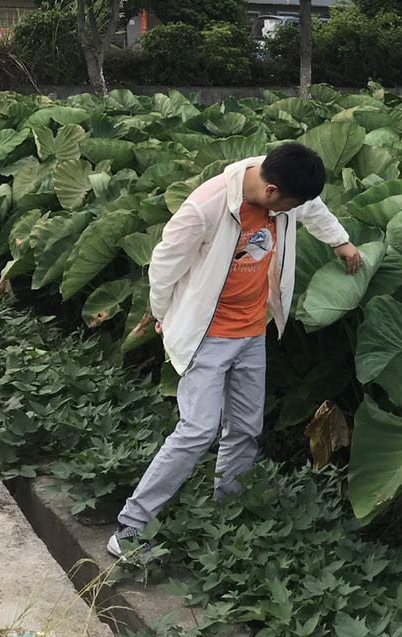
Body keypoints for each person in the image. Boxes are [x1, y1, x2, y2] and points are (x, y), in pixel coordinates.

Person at [108, 142, 361, 558]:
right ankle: (130, 529)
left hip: (251, 331)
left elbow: (311, 209)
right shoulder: (204, 208)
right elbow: (164, 264)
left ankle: (228, 511)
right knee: (197, 430)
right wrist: (161, 313)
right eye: (289, 206)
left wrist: (341, 242)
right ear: (272, 191)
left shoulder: (281, 190)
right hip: (207, 335)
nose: (292, 213)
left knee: (245, 427)